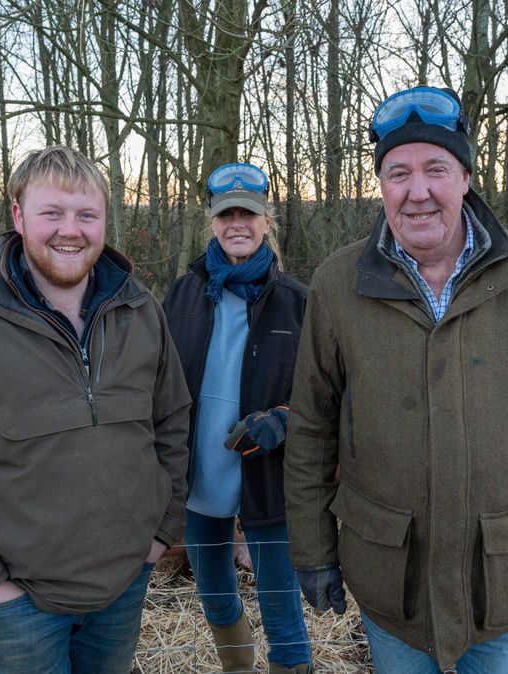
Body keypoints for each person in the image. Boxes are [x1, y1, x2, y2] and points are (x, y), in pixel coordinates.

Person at [283, 86, 508, 673]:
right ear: (381, 185)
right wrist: (314, 551)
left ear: (467, 177)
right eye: (398, 172)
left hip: (498, 579)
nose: (418, 191)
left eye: (437, 169)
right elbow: (310, 429)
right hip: (390, 579)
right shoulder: (337, 283)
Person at [0, 146, 191, 674]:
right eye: (52, 212)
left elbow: (172, 424)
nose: (69, 230)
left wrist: (160, 532)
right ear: (18, 216)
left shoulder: (140, 311)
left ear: (104, 221)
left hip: (121, 589)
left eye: (86, 214)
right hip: (17, 604)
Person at [163, 163, 312, 674]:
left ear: (266, 220)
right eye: (226, 214)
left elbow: (328, 397)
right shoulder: (182, 296)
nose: (237, 224)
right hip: (198, 478)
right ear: (213, 222)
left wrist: (283, 420)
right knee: (217, 599)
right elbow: (156, 383)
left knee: (281, 608)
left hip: (267, 482)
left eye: (248, 213)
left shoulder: (296, 303)